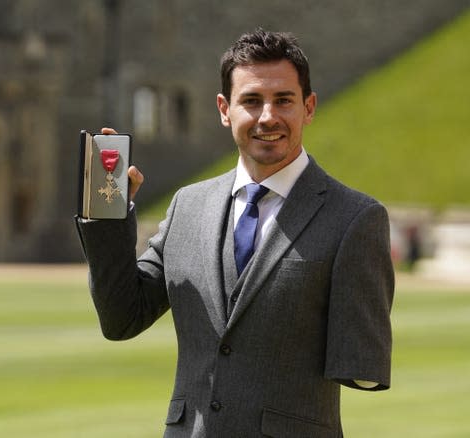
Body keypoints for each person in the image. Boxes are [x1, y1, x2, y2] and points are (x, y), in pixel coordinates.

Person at [75, 29, 394, 437]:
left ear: (309, 107)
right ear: (225, 109)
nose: (267, 117)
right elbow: (122, 319)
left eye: (283, 100)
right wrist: (107, 215)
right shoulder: (188, 205)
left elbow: (361, 361)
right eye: (251, 101)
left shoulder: (355, 217)